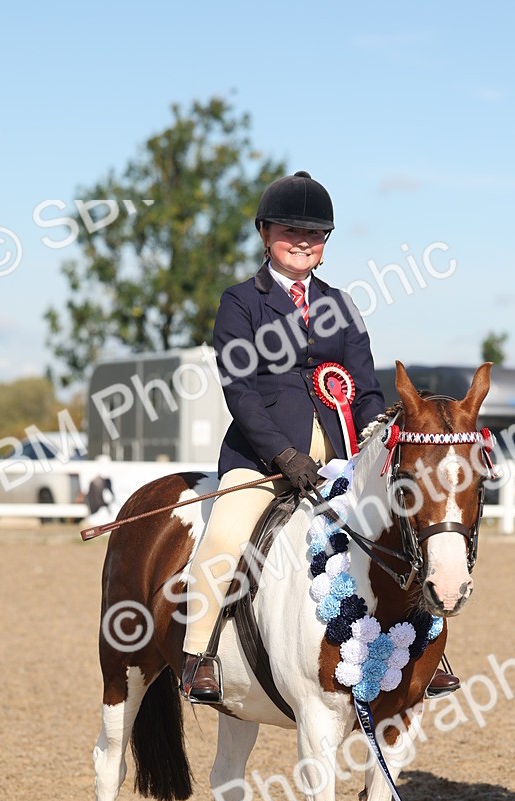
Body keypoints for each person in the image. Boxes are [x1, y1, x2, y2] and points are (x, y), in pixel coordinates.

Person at [180, 169, 459, 703]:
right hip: (262, 458)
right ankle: (202, 655)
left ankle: (429, 650)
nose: (302, 241)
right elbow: (239, 392)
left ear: (325, 244)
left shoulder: (341, 304)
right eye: (290, 230)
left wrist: (377, 444)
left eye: (314, 234)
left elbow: (368, 390)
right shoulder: (241, 302)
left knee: (404, 533)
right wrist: (283, 454)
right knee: (223, 540)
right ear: (266, 234)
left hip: (342, 458)